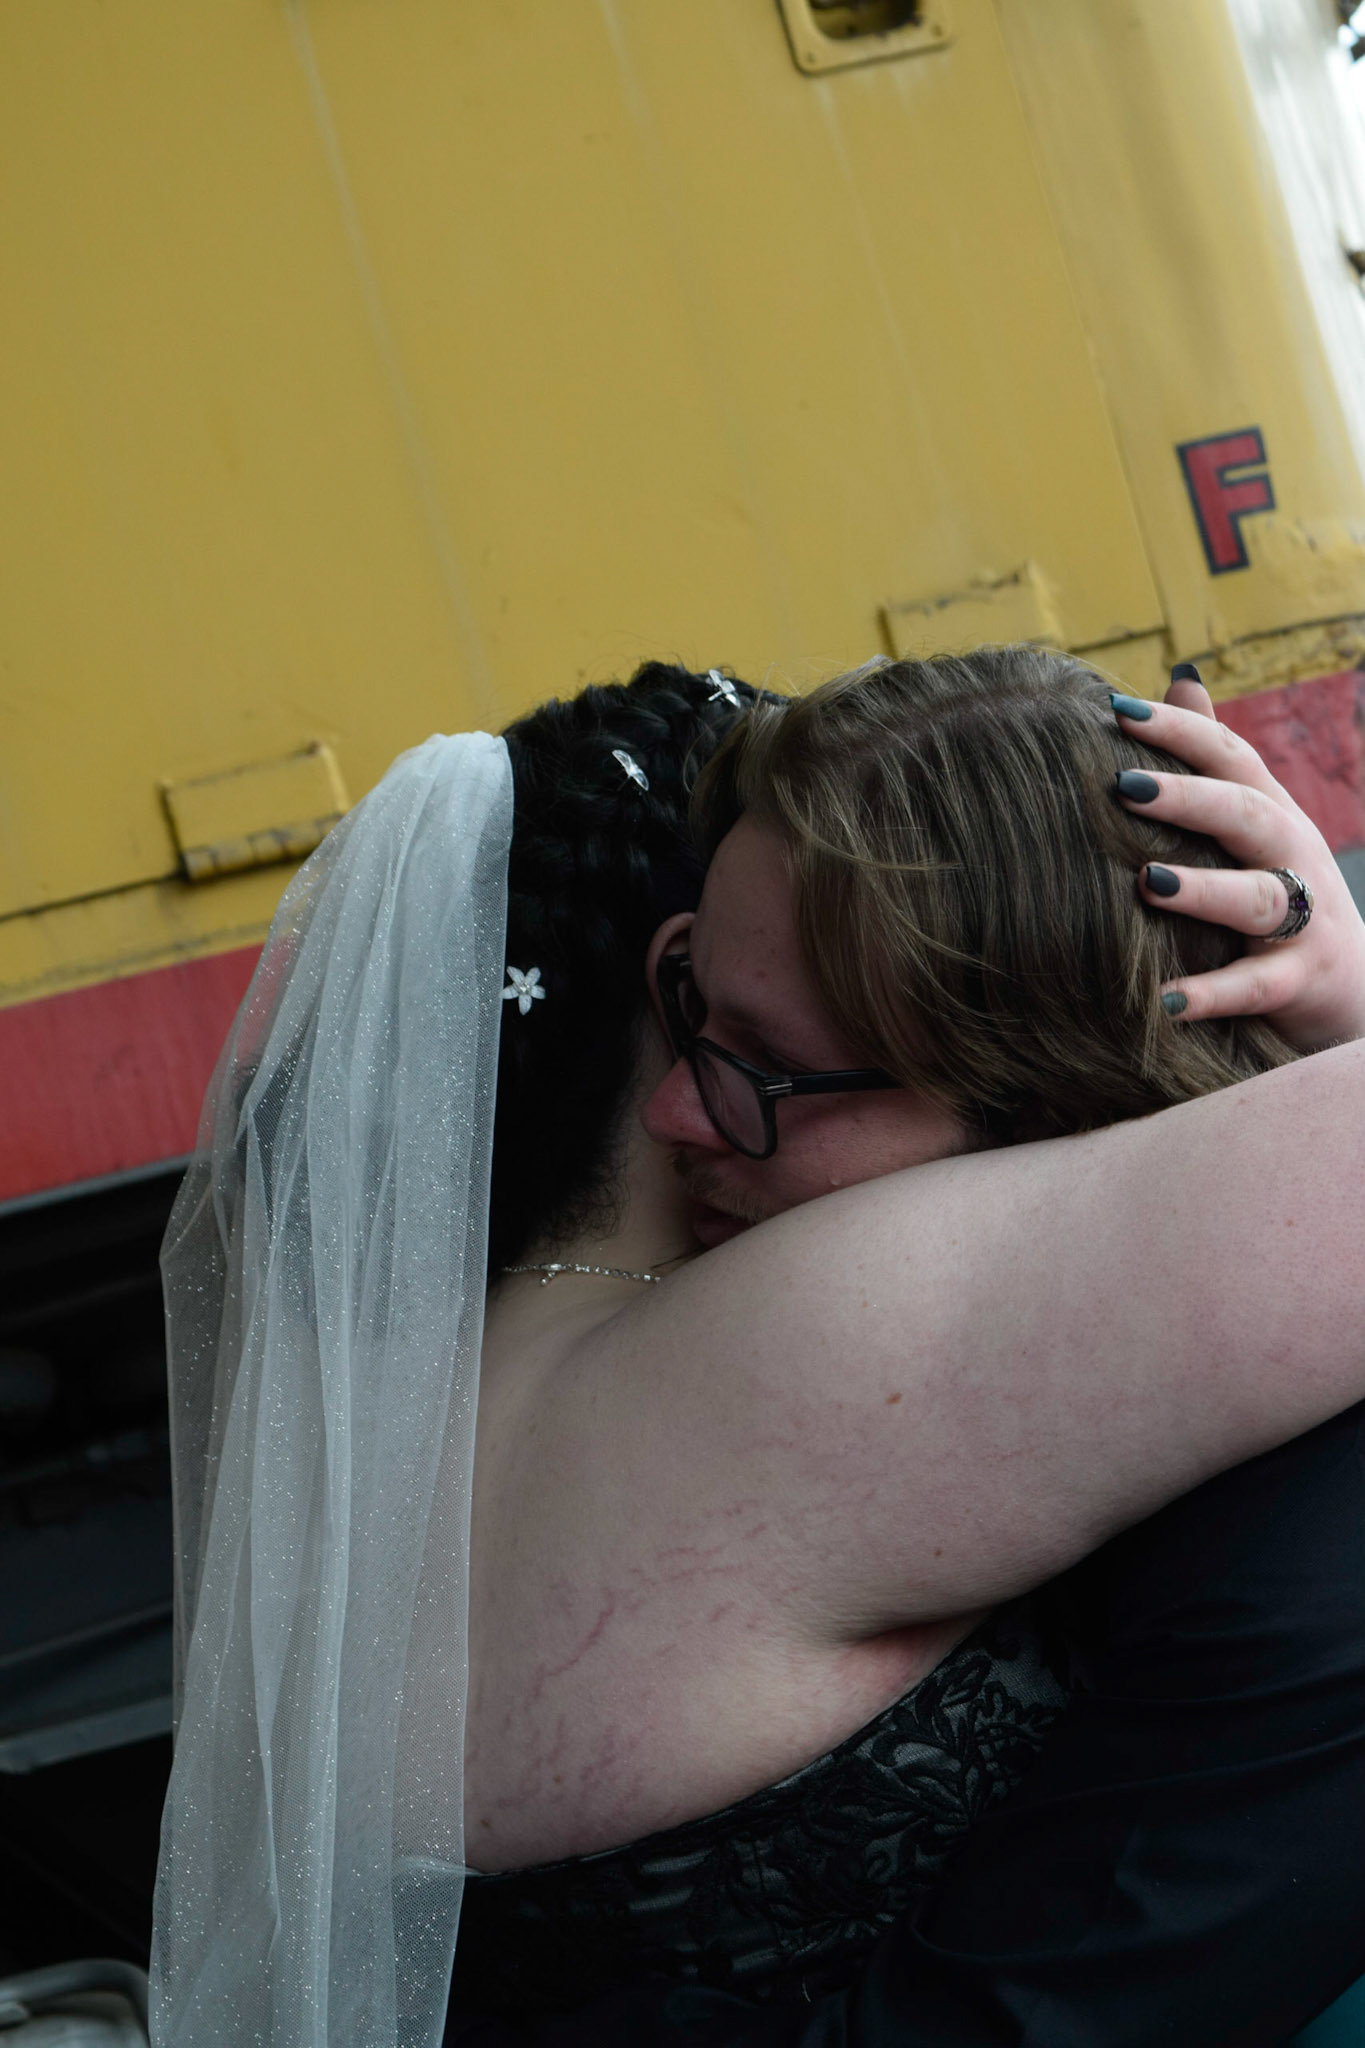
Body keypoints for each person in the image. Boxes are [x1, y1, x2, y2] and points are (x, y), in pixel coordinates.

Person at [150, 657, 1364, 2048]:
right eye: (688, 1002)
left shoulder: (396, 1428)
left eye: (765, 1061)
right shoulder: (829, 1334)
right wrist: (1339, 985)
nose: (682, 1109)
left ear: (1049, 1081)